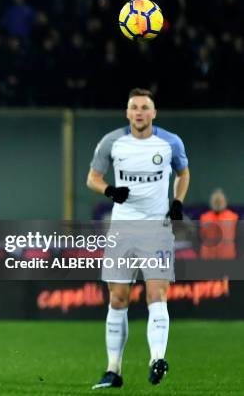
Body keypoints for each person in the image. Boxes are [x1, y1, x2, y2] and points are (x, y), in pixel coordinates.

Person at [87, 88, 190, 389]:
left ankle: (157, 358)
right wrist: (110, 191)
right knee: (118, 299)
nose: (140, 112)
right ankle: (113, 370)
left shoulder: (170, 142)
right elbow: (92, 177)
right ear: (127, 113)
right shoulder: (112, 142)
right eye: (135, 107)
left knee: (156, 294)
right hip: (122, 230)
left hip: (156, 229)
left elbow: (183, 173)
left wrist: (178, 202)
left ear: (154, 113)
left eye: (145, 107)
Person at [199, 189, 239, 259]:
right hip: (208, 258)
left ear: (225, 202)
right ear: (211, 202)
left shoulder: (234, 217)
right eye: (216, 201)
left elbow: (239, 239)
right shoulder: (204, 217)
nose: (218, 203)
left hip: (227, 258)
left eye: (220, 201)